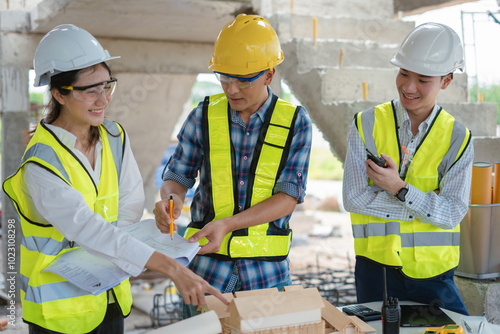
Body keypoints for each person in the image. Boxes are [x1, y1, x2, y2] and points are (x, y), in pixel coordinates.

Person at [3, 24, 226, 334]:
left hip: (109, 298)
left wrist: (157, 222)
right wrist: (171, 267)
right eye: (90, 90)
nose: (103, 99)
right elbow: (88, 228)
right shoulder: (41, 163)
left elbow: (129, 210)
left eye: (108, 86)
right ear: (59, 93)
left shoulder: (115, 137)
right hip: (60, 314)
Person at [153, 14, 312, 318]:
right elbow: (178, 177)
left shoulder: (295, 122)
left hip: (267, 277)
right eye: (224, 78)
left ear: (269, 75)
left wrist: (228, 225)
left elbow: (288, 197)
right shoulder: (203, 115)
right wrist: (170, 202)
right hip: (205, 274)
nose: (232, 89)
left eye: (243, 80)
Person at [342, 22, 473, 315]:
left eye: (423, 79)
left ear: (447, 81)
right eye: (403, 73)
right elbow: (353, 198)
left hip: (434, 276)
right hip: (375, 272)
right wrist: (424, 203)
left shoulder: (458, 138)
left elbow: (452, 212)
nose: (408, 87)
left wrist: (398, 188)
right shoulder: (365, 124)